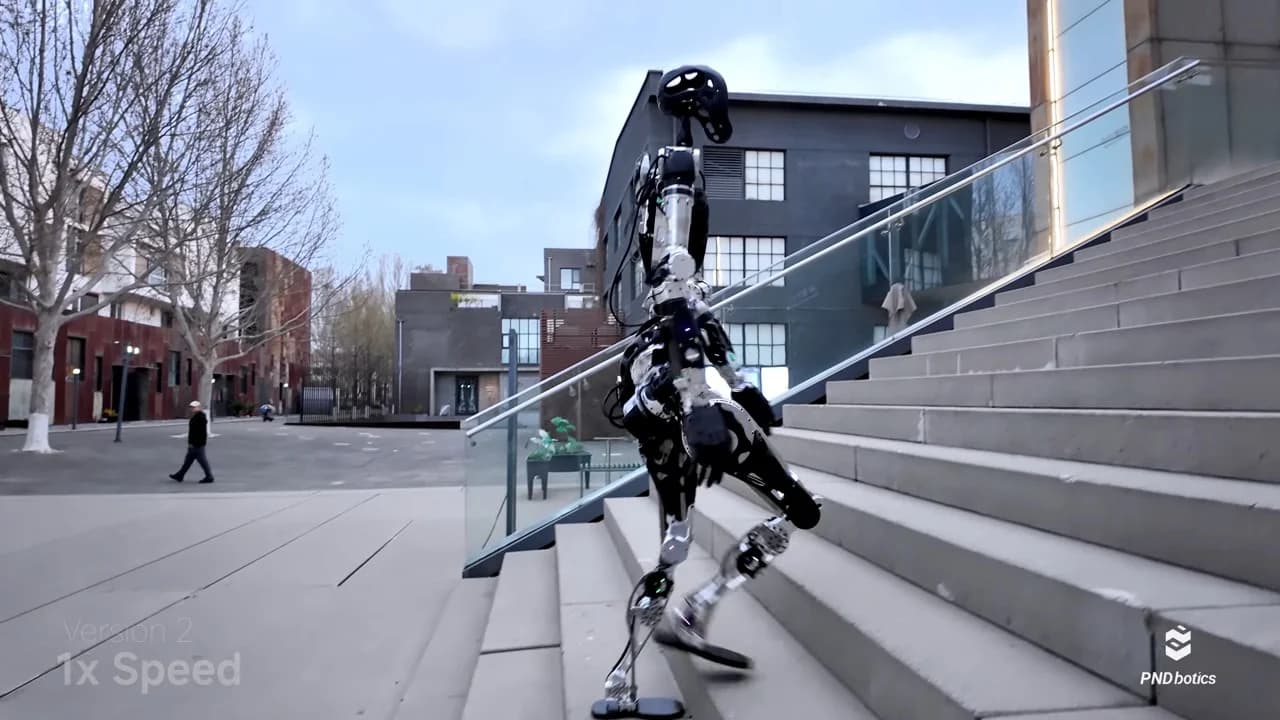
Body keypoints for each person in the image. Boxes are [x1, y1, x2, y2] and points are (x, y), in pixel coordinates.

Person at [170, 401, 213, 484]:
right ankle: (180, 475)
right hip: (195, 444)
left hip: (197, 444)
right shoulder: (197, 416)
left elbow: (199, 433)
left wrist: (194, 443)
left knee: (202, 461)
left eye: (194, 407)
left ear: (199, 407)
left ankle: (209, 476)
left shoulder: (200, 417)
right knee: (188, 461)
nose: (192, 408)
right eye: (191, 407)